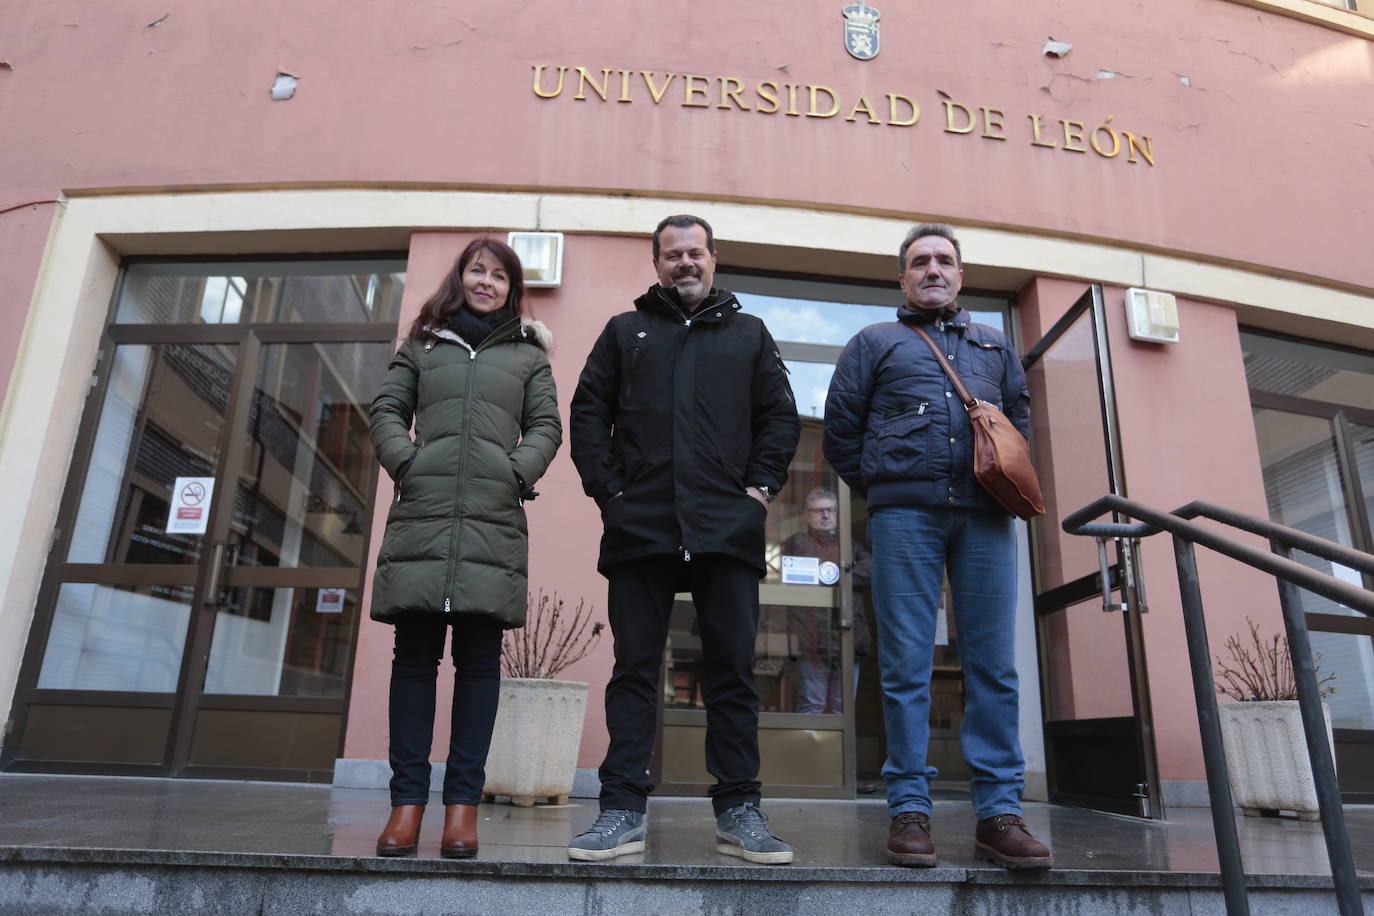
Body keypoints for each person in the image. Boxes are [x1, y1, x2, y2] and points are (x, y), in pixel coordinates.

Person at [567, 214, 801, 864]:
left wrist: (757, 491)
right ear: (657, 264)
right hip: (640, 524)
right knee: (635, 671)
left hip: (727, 527)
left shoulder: (750, 335)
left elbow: (780, 417)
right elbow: (587, 412)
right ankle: (620, 811)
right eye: (673, 255)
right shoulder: (625, 332)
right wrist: (609, 492)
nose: (685, 264)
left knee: (731, 672)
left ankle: (739, 813)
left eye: (695, 252)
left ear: (714, 258)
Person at [822, 224, 1052, 870]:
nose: (932, 269)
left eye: (943, 261)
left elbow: (1017, 423)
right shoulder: (875, 343)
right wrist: (889, 489)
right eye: (919, 261)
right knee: (904, 666)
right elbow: (840, 432)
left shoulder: (994, 345)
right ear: (902, 278)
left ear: (960, 274)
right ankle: (910, 811)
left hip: (983, 518)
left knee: (993, 667)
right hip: (904, 520)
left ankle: (1000, 814)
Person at [368, 238, 562, 859]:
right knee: (414, 663)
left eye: (499, 275)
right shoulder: (422, 346)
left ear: (511, 288)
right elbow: (387, 410)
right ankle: (406, 806)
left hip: (491, 523)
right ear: (461, 279)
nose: (486, 282)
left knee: (479, 668)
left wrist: (516, 472)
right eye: (477, 270)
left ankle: (461, 811)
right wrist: (408, 463)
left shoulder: (529, 356)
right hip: (424, 519)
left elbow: (546, 426)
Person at [780, 487, 872, 714]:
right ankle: (808, 752)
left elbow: (873, 570)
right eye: (818, 511)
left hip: (847, 639)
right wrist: (838, 573)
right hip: (811, 641)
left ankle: (838, 753)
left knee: (844, 711)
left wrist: (833, 576)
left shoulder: (851, 546)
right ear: (807, 515)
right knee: (812, 707)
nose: (825, 516)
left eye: (830, 511)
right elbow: (794, 574)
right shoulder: (797, 543)